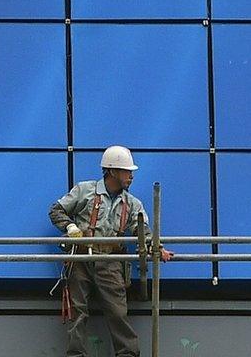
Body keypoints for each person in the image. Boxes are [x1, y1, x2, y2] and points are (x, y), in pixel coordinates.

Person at [48, 146, 174, 357]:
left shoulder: (132, 204)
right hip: (80, 258)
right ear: (112, 171)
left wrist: (157, 248)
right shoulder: (85, 190)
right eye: (127, 171)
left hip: (111, 260)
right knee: (77, 313)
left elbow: (143, 232)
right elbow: (56, 210)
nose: (131, 176)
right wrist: (71, 228)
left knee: (118, 312)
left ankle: (127, 354)